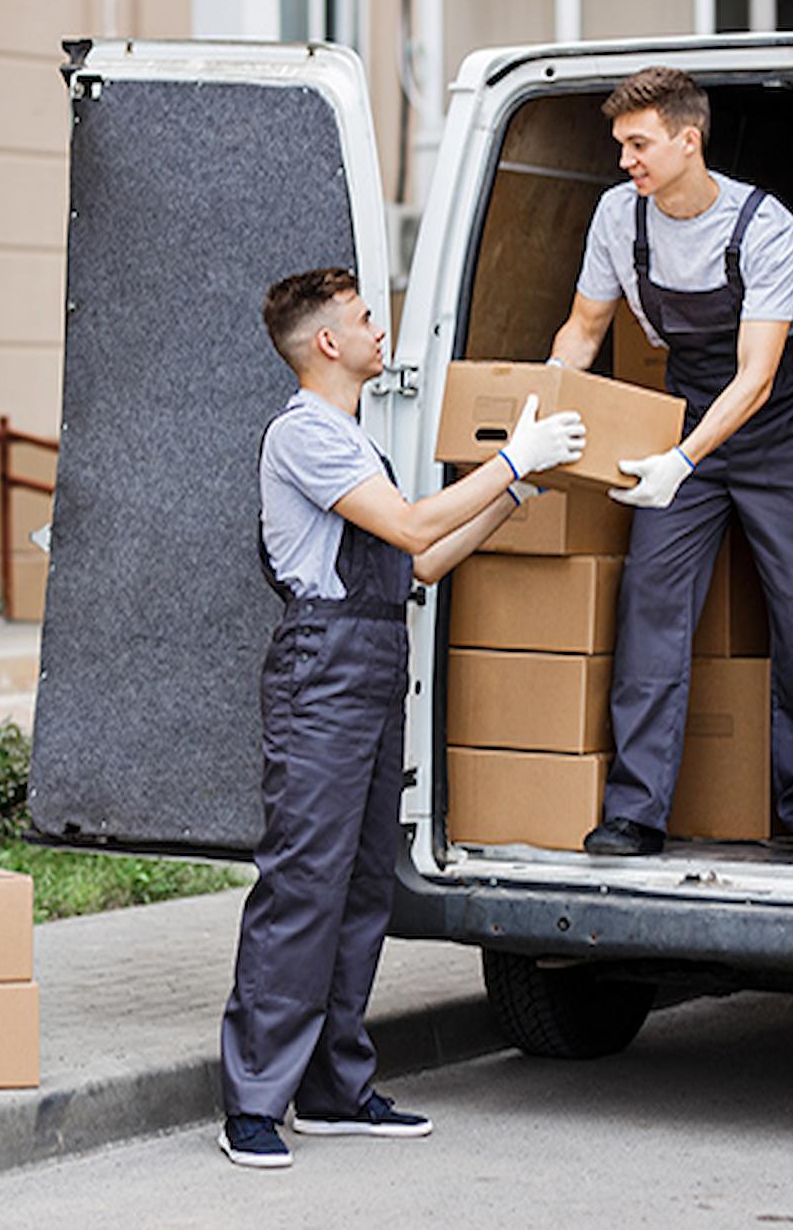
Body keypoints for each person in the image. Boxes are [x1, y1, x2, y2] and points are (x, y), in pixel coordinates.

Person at [219, 266, 586, 1168]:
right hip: (323, 669)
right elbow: (417, 529)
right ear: (328, 345)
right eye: (364, 318)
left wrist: (511, 496)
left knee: (361, 891)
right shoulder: (306, 435)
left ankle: (334, 1089)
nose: (381, 329)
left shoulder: (355, 439)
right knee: (304, 884)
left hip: (373, 658)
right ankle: (253, 1103)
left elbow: (420, 564)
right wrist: (510, 459)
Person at [546, 67, 793, 858]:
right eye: (621, 146)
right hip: (687, 422)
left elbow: (759, 374)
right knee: (651, 603)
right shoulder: (618, 217)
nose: (625, 161)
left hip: (777, 426)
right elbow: (584, 327)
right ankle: (635, 812)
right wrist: (541, 407)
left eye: (638, 145)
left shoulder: (766, 226)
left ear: (688, 139)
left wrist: (680, 458)